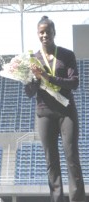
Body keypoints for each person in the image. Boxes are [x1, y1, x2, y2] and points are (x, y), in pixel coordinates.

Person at [25, 16, 86, 202]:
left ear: (54, 32)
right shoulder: (32, 59)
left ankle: (77, 199)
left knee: (72, 158)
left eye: (48, 31)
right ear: (37, 34)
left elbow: (74, 83)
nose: (45, 35)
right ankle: (57, 199)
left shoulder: (67, 55)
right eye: (41, 32)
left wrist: (47, 76)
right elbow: (28, 92)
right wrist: (35, 80)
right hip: (44, 113)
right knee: (51, 162)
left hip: (66, 113)